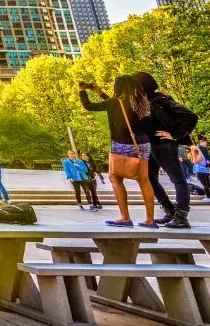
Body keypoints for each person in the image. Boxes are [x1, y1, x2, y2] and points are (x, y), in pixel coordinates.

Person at [81, 76, 158, 228]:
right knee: (144, 180)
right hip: (142, 143)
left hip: (121, 143)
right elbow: (121, 110)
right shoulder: (141, 101)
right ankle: (150, 219)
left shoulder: (114, 102)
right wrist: (101, 93)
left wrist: (82, 91)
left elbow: (89, 106)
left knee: (115, 178)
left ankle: (125, 217)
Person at [136, 73, 193, 228]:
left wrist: (174, 134)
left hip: (164, 145)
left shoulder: (161, 100)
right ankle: (169, 209)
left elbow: (190, 116)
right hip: (150, 147)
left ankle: (181, 216)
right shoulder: (141, 103)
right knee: (147, 178)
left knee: (177, 178)